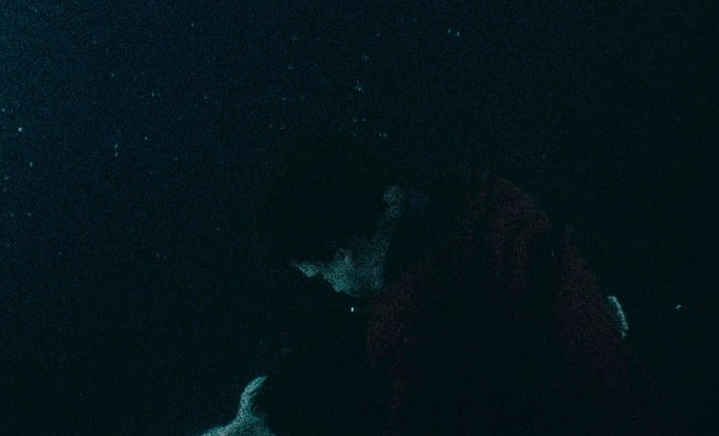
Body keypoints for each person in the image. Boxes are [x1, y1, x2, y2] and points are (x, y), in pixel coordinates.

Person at [202, 133, 662, 435]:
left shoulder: (426, 324)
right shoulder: (483, 207)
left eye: (322, 274)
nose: (333, 288)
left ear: (341, 249)